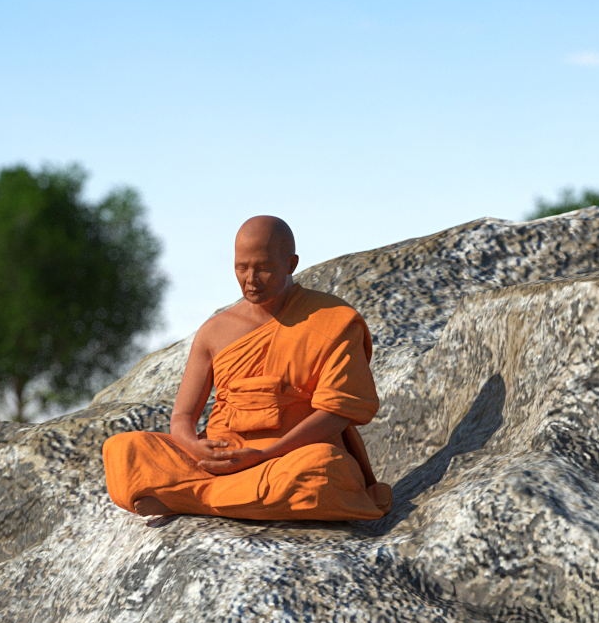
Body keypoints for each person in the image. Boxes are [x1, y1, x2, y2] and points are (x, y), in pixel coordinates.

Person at [102, 215, 392, 521]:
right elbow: (183, 417)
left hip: (290, 456)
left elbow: (336, 413)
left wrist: (266, 454)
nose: (250, 279)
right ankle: (227, 497)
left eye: (264, 267)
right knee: (123, 450)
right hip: (220, 459)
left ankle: (190, 498)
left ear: (291, 264)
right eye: (242, 267)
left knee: (323, 471)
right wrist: (196, 448)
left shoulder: (333, 321)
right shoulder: (215, 330)